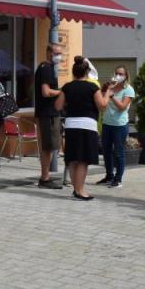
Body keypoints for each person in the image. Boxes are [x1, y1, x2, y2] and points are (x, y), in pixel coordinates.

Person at [55, 56, 108, 201]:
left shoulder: (67, 87)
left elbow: (58, 106)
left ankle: (75, 189)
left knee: (72, 158)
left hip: (71, 124)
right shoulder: (93, 87)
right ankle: (80, 190)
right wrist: (108, 94)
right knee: (83, 159)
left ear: (74, 72)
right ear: (87, 72)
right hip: (87, 125)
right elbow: (102, 106)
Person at [98, 66, 135, 188]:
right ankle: (109, 175)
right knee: (106, 151)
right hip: (107, 123)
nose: (118, 76)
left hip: (119, 125)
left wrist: (112, 95)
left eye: (121, 74)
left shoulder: (128, 90)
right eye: (116, 73)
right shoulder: (111, 87)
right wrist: (106, 90)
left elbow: (122, 107)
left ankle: (118, 179)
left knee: (119, 152)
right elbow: (102, 104)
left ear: (126, 76)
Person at [35, 43, 64, 189]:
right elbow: (46, 92)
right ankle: (45, 178)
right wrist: (62, 92)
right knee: (48, 147)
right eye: (56, 53)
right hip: (48, 113)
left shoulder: (49, 68)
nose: (59, 56)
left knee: (52, 146)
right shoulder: (46, 68)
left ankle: (45, 177)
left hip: (50, 112)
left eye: (60, 53)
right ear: (48, 53)